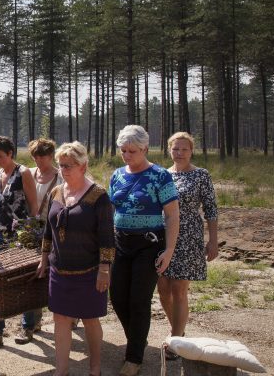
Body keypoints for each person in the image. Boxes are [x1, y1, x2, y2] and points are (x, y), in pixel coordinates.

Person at [36, 141, 114, 376]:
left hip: (89, 272)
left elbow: (107, 236)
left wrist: (104, 269)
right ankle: (62, 371)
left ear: (83, 166)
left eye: (69, 165)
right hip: (59, 270)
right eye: (61, 166)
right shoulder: (56, 192)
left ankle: (95, 368)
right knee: (60, 318)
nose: (64, 170)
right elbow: (48, 230)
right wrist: (43, 258)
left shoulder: (98, 196)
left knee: (90, 319)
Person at [108, 125, 180, 376]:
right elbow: (111, 210)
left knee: (138, 300)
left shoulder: (160, 176)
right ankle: (137, 339)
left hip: (149, 245)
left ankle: (134, 357)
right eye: (123, 150)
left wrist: (169, 250)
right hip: (120, 243)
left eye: (132, 151)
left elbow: (172, 216)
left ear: (145, 149)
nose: (127, 155)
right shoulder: (117, 175)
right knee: (117, 297)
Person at [158, 132, 219, 359]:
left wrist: (212, 241)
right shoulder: (162, 175)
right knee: (163, 289)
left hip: (189, 237)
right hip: (163, 237)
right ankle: (179, 329)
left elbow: (211, 209)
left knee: (179, 289)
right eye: (175, 149)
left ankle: (175, 342)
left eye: (184, 149)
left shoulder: (201, 175)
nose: (179, 153)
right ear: (169, 150)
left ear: (191, 151)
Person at [0, 136, 38, 348]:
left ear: (10, 154)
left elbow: (33, 207)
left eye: (0, 156)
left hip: (21, 236)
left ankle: (27, 328)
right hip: (1, 235)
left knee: (25, 281)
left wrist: (32, 237)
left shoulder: (23, 173)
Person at [17, 137, 63, 342]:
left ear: (51, 155)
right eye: (35, 155)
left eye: (42, 155)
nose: (38, 159)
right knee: (32, 275)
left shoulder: (60, 176)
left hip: (54, 232)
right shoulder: (29, 174)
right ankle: (31, 323)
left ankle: (70, 313)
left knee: (56, 275)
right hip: (30, 232)